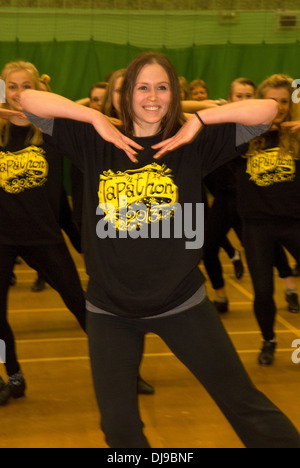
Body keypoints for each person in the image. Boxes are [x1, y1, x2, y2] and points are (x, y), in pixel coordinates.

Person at [20, 51, 300, 448]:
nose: (152, 96)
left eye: (162, 87)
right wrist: (95, 117)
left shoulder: (192, 143)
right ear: (125, 95)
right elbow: (28, 100)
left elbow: (268, 109)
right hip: (110, 311)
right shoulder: (92, 140)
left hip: (181, 303)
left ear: (174, 94)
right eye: (142, 87)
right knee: (119, 429)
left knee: (245, 406)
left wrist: (199, 120)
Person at [0, 61, 86, 406]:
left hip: (44, 236)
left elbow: (88, 118)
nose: (18, 93)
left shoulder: (52, 130)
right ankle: (14, 377)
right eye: (12, 86)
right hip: (2, 237)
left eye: (26, 86)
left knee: (81, 305)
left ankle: (122, 370)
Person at [236, 74, 300, 366]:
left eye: (284, 101)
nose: (279, 107)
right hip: (257, 225)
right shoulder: (243, 134)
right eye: (272, 101)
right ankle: (269, 340)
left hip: (294, 221)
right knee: (262, 291)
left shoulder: (296, 133)